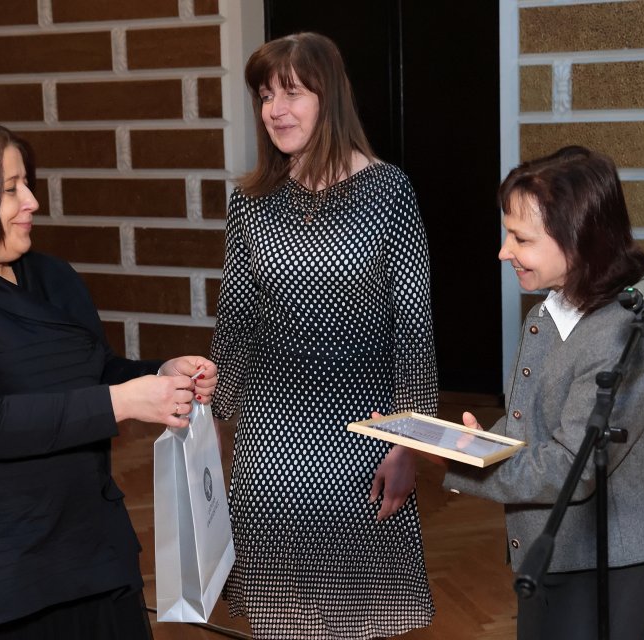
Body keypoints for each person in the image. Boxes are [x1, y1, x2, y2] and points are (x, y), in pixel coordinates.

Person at [0, 117, 218, 640]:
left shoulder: (51, 276)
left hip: (83, 545)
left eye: (27, 183)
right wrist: (122, 400)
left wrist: (160, 376)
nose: (31, 201)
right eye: (11, 189)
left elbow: (96, 372)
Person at [209, 32, 437, 639]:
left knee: (359, 615)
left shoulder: (389, 191)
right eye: (264, 95)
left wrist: (410, 444)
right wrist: (213, 419)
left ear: (328, 97)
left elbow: (413, 330)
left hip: (362, 435)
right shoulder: (252, 201)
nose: (275, 110)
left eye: (291, 92)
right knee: (284, 617)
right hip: (270, 440)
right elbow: (236, 319)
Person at [439, 145, 644, 640]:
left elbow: (574, 466)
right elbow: (533, 424)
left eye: (520, 238)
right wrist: (481, 440)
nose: (504, 251)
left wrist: (469, 463)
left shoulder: (622, 336)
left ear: (578, 239)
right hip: (550, 554)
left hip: (609, 568)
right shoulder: (547, 314)